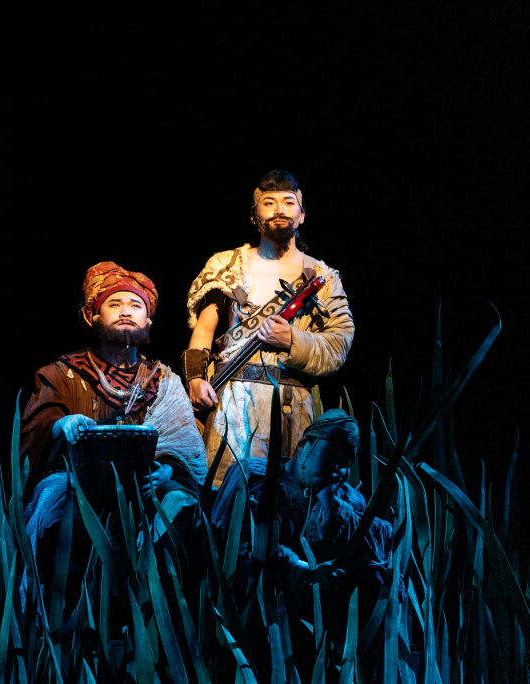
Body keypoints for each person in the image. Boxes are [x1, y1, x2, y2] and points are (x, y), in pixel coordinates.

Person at [20, 261, 207, 584]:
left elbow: (184, 444)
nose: (125, 311)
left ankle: (150, 604)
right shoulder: (63, 373)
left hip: (145, 488)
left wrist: (166, 471)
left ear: (148, 320)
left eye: (135, 305)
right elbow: (37, 425)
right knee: (54, 501)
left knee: (178, 500)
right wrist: (62, 425)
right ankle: (67, 604)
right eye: (114, 304)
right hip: (77, 485)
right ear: (93, 316)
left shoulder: (164, 381)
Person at [183, 170, 354, 487]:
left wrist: (291, 339)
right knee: (226, 498)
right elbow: (204, 331)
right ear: (254, 216)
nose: (279, 210)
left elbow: (338, 344)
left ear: (302, 215)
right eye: (269, 202)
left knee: (285, 502)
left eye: (288, 202)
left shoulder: (323, 277)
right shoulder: (225, 265)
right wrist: (195, 379)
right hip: (230, 401)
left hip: (290, 405)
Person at [212, 409, 392, 680]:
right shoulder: (257, 477)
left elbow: (375, 543)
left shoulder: (345, 499)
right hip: (263, 601)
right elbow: (247, 540)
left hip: (320, 612)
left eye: (346, 464)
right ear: (304, 444)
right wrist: (305, 570)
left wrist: (331, 505)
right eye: (331, 454)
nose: (338, 469)